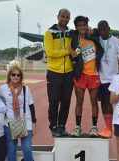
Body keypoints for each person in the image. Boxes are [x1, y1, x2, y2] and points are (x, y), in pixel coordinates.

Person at [69, 16, 104, 137]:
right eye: (79, 25)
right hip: (81, 74)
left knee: (94, 101)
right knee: (79, 101)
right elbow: (72, 53)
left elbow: (104, 31)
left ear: (87, 25)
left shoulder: (93, 37)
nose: (82, 27)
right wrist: (71, 53)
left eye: (84, 25)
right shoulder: (74, 38)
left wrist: (92, 30)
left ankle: (94, 128)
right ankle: (77, 127)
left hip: (94, 74)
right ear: (76, 27)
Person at [44, 8, 74, 137]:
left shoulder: (71, 32)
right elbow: (50, 52)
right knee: (54, 101)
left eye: (67, 17)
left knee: (66, 101)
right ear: (58, 16)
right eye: (63, 16)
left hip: (68, 72)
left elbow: (76, 46)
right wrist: (67, 51)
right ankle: (53, 126)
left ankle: (62, 125)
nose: (65, 19)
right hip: (54, 72)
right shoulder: (49, 32)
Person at [0, 65, 37, 161]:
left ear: (21, 77)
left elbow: (31, 106)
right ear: (9, 76)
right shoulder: (3, 89)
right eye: (13, 74)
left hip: (26, 122)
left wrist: (34, 124)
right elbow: (0, 106)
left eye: (18, 75)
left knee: (27, 149)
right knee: (11, 149)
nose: (16, 76)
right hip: (10, 123)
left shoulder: (25, 89)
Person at [96, 20, 119, 138]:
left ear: (109, 28)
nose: (103, 32)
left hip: (113, 79)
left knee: (110, 103)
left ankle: (111, 127)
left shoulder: (115, 40)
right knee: (103, 103)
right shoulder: (96, 39)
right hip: (100, 78)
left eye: (105, 29)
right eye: (100, 30)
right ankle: (107, 127)